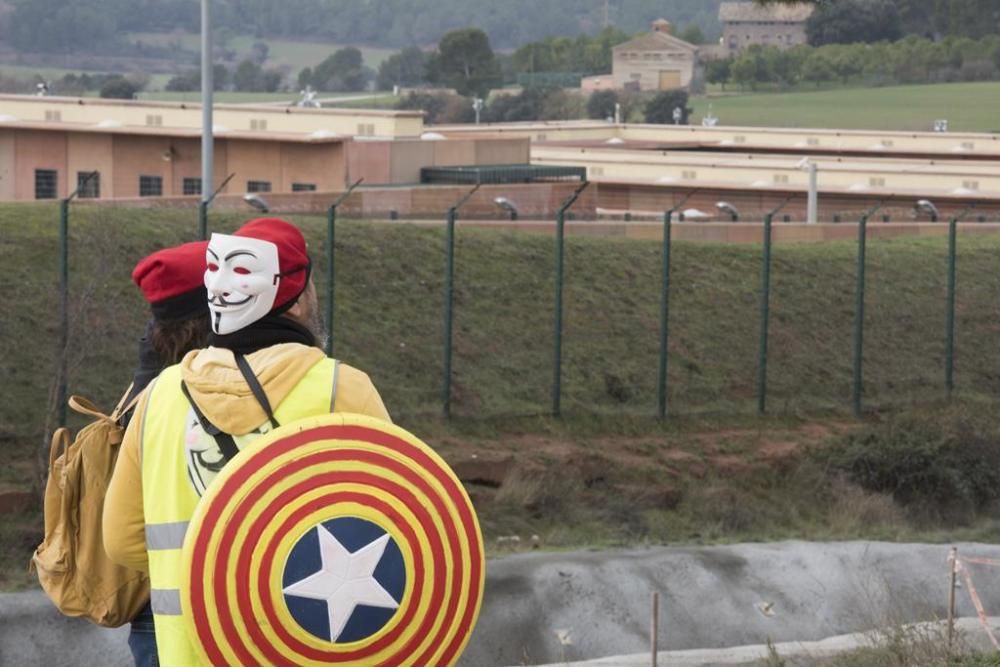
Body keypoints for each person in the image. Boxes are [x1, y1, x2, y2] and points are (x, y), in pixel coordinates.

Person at [103, 217, 391, 666]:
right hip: (309, 644)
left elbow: (122, 541)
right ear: (296, 305)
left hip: (188, 652)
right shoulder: (342, 389)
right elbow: (397, 521)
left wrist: (206, 573)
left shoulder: (159, 396)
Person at [124, 240, 212, 667]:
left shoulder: (144, 386)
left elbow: (123, 537)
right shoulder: (181, 394)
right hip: (218, 604)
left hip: (154, 611)